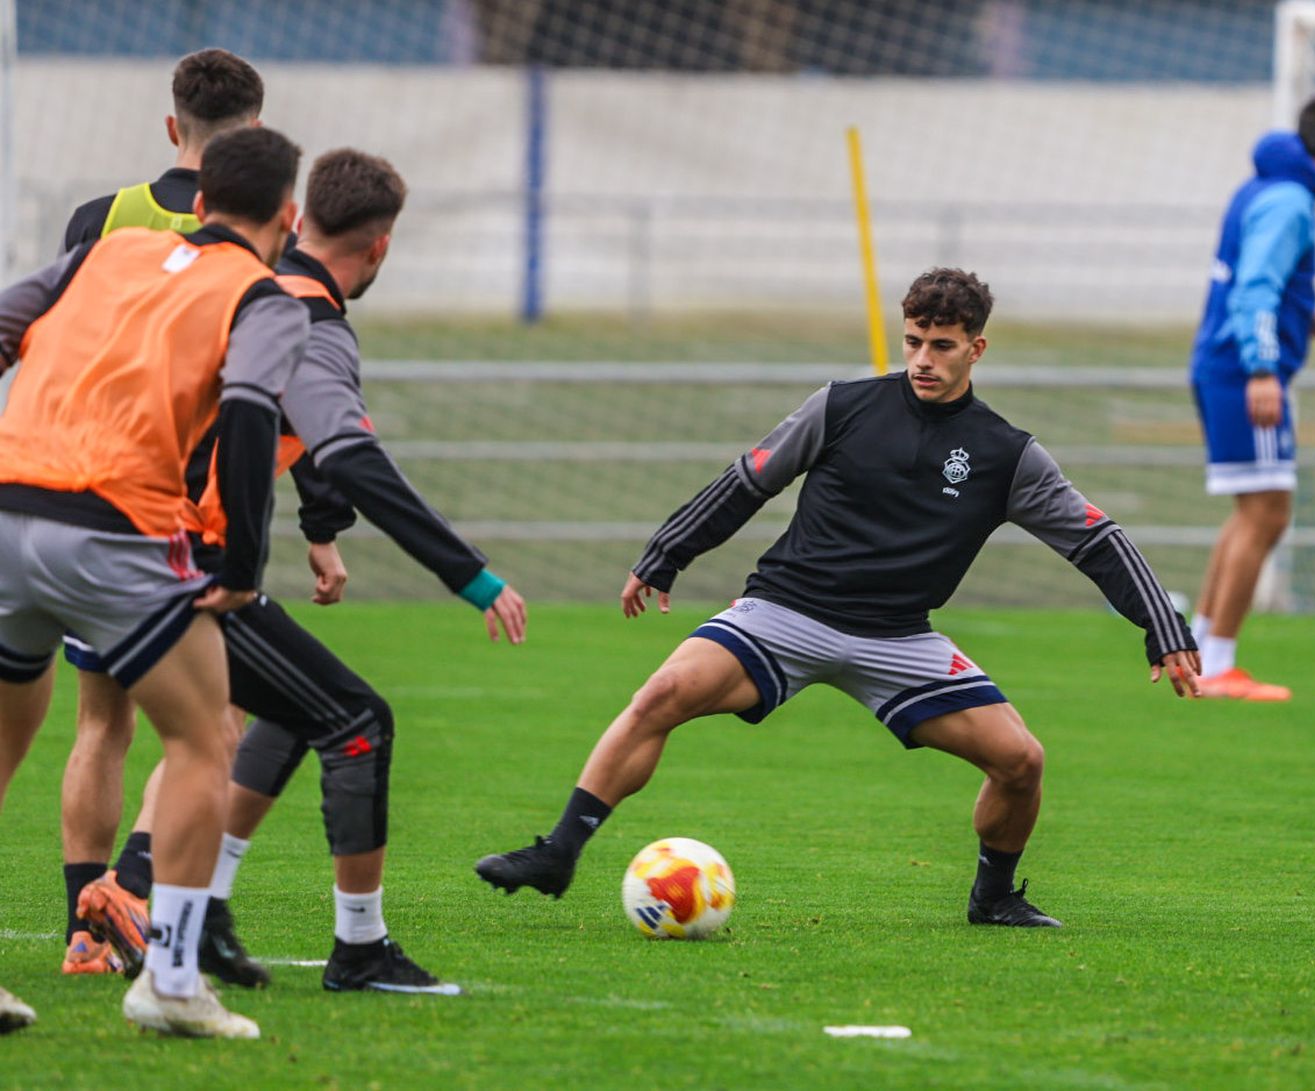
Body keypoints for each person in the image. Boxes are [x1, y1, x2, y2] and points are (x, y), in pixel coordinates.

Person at [476, 268, 1200, 927]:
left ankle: (994, 897)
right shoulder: (842, 406)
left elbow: (1098, 540)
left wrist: (1162, 627)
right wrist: (667, 553)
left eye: (942, 346)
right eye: (913, 341)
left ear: (976, 350)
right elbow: (748, 479)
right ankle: (559, 852)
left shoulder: (1006, 454)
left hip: (899, 638)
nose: (923, 359)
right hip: (786, 611)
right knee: (662, 693)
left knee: (1021, 761)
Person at [75, 148, 528, 995]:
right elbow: (351, 456)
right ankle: (356, 947)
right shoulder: (307, 317)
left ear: (302, 217)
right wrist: (471, 576)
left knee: (285, 712)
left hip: (94, 531)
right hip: (178, 560)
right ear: (380, 246)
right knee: (359, 721)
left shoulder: (241, 285)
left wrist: (320, 529)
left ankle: (193, 906)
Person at [0, 125, 308, 1038]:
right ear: (289, 218)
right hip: (113, 528)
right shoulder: (264, 295)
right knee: (207, 735)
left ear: (199, 200)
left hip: (8, 508)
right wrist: (240, 564)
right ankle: (169, 980)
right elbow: (249, 412)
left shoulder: (107, 250)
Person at [57, 46, 266, 979]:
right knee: (210, 724)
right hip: (187, 512)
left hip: (81, 494)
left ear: (172, 125)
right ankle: (137, 895)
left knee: (100, 724)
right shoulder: (254, 231)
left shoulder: (100, 219)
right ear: (256, 133)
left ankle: (82, 932)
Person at [1188, 97, 1315, 701]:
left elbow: (1253, 280)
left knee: (1252, 511)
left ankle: (1201, 648)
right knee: (1268, 513)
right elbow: (1255, 289)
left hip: (1223, 363)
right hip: (1243, 370)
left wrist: (1309, 320)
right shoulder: (1291, 201)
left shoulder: (1262, 187)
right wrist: (1263, 370)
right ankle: (1218, 664)